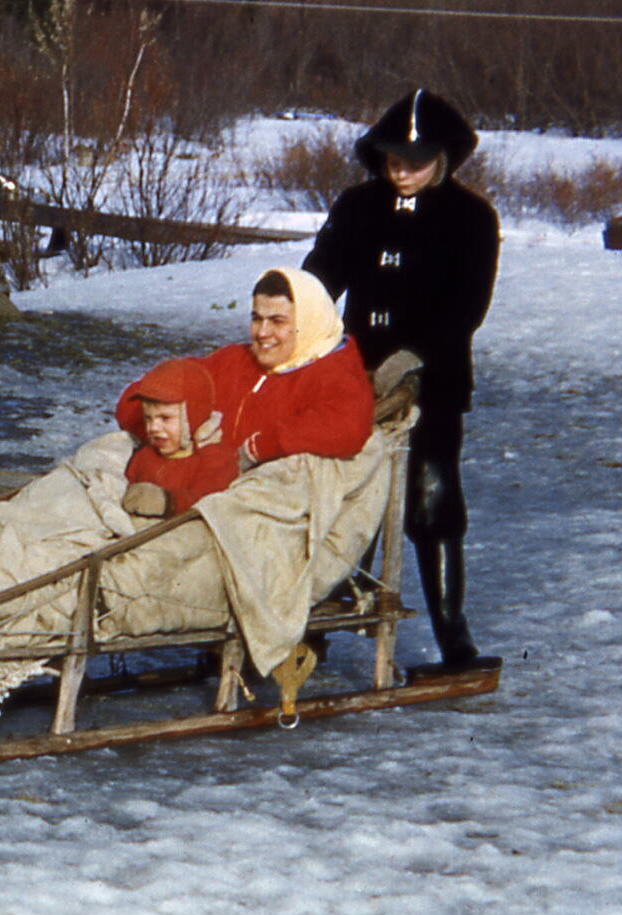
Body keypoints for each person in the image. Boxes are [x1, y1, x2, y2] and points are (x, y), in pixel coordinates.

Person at [304, 88, 501, 672]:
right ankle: (313, 624)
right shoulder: (358, 205)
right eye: (392, 160)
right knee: (340, 495)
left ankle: (453, 638)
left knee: (431, 501)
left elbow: (468, 304)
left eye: (414, 161)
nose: (402, 171)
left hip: (433, 380)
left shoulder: (471, 218)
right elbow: (323, 272)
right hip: (355, 374)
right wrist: (295, 314)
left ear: (443, 158)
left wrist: (414, 355)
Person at [203, 265, 376, 470]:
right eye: (257, 319)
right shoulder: (234, 359)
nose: (263, 332)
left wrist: (258, 447)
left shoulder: (334, 373)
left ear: (308, 322)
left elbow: (347, 426)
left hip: (260, 491)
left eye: (277, 321)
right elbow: (184, 378)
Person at [112, 356, 237, 518]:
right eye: (148, 418)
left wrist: (167, 502)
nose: (153, 428)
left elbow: (210, 501)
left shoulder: (215, 459)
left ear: (191, 417)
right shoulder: (145, 456)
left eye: (165, 418)